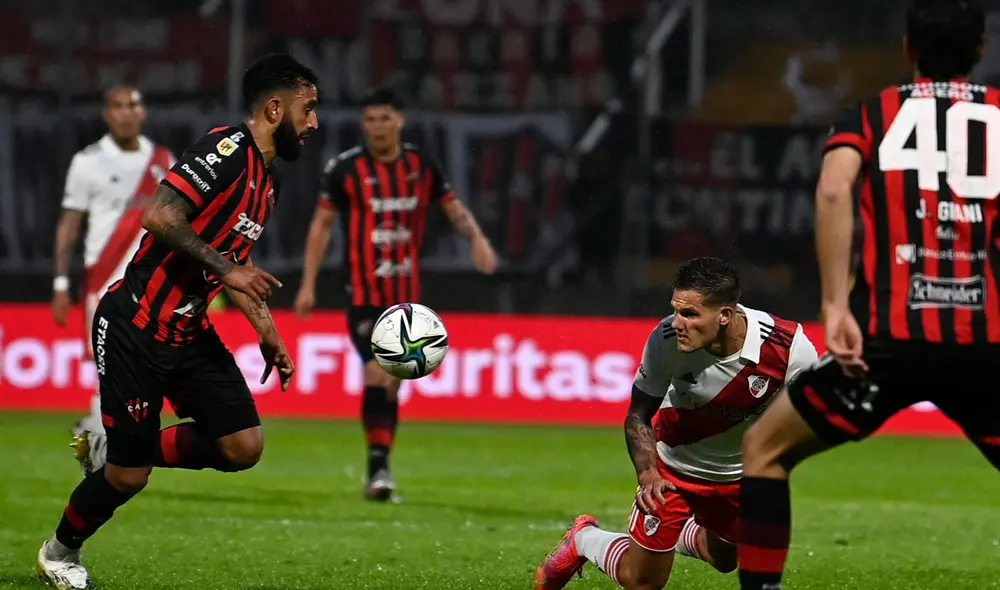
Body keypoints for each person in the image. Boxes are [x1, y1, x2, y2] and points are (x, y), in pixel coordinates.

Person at [736, 2, 1000, 589]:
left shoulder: (876, 113)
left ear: (908, 47)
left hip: (885, 346)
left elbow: (833, 191)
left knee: (765, 450)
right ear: (981, 50)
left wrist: (834, 306)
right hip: (986, 348)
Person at [35, 53, 319, 590]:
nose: (314, 122)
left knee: (243, 447)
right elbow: (161, 216)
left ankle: (108, 446)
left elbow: (239, 261)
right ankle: (59, 552)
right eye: (308, 109)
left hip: (188, 333)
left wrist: (268, 331)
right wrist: (227, 270)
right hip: (135, 325)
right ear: (275, 107)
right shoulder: (224, 149)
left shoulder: (268, 182)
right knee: (127, 477)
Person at [535, 257, 818, 590]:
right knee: (642, 581)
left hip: (740, 477)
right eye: (676, 310)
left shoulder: (789, 349)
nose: (678, 322)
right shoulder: (665, 338)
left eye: (690, 314)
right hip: (673, 472)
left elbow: (810, 417)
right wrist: (647, 473)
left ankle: (676, 531)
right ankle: (584, 539)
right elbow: (638, 414)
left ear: (725, 315)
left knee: (726, 560)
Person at [294, 87, 498, 502]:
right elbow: (321, 225)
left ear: (400, 121)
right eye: (370, 119)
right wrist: (308, 284)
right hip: (364, 294)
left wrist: (477, 239)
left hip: (407, 297)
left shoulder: (421, 165)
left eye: (385, 117)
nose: (378, 126)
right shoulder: (344, 169)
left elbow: (452, 208)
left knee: (391, 384)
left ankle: (381, 462)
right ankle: (378, 471)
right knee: (378, 371)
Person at [51, 85, 174, 446]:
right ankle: (100, 436)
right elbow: (69, 225)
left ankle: (95, 428)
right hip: (104, 280)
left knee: (144, 365)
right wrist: (60, 284)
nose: (126, 112)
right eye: (118, 106)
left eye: (132, 105)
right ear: (107, 114)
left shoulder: (163, 161)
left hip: (151, 282)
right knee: (106, 365)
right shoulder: (88, 162)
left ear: (143, 112)